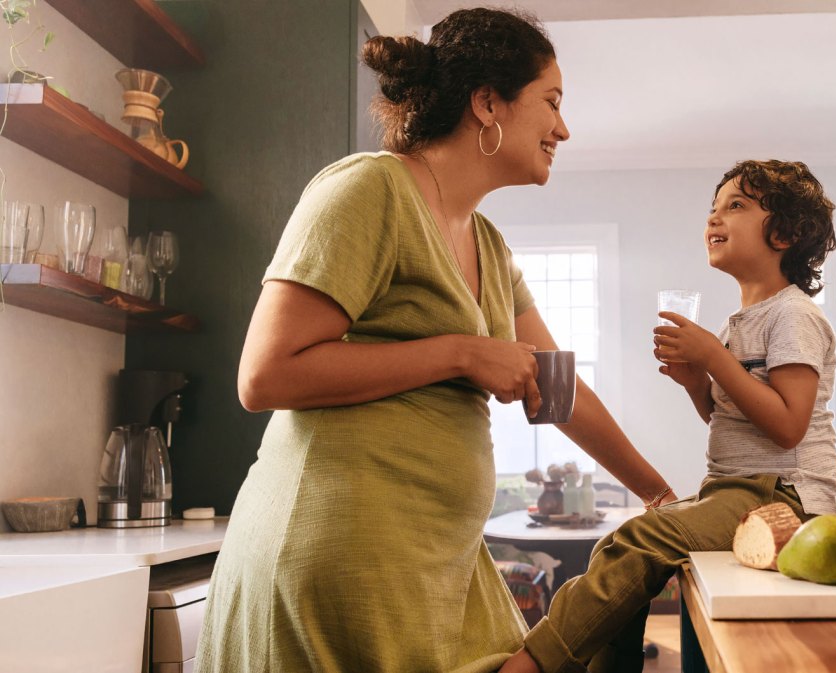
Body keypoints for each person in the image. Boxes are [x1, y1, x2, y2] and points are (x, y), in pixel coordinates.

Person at [196, 8, 675, 673]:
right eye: (551, 102)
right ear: (487, 103)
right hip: (335, 554)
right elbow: (265, 374)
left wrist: (661, 497)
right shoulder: (368, 190)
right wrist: (461, 352)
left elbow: (558, 389)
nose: (563, 128)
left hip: (433, 559)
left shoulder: (490, 247)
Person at [501, 159, 836, 673]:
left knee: (642, 539)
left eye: (737, 206)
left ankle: (533, 663)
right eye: (714, 208)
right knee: (616, 546)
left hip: (786, 493)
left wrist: (714, 359)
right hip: (737, 485)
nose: (714, 218)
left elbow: (788, 427)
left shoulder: (792, 315)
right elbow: (738, 425)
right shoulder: (739, 322)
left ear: (786, 234)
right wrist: (697, 385)